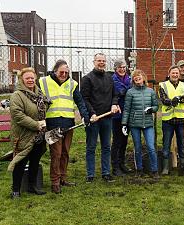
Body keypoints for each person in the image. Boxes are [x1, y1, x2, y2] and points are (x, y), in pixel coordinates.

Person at [39, 60, 90, 194]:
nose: (64, 74)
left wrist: (85, 115)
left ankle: (63, 178)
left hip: (68, 124)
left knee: (65, 153)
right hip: (52, 124)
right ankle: (55, 181)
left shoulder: (72, 84)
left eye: (66, 72)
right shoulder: (43, 82)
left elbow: (80, 102)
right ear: (55, 71)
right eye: (61, 72)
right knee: (56, 153)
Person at [8, 67, 49, 199]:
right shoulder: (17, 95)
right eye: (27, 78)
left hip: (38, 134)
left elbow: (43, 106)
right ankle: (15, 190)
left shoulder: (39, 93)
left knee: (35, 161)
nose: (30, 80)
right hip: (24, 134)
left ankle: (32, 186)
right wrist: (36, 124)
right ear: (22, 80)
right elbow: (18, 115)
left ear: (35, 78)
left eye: (32, 78)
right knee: (21, 161)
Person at [81, 53, 119, 183]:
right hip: (94, 119)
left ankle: (106, 173)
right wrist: (91, 113)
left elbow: (115, 94)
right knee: (91, 146)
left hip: (107, 117)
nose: (101, 63)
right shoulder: (87, 79)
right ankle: (90, 175)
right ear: (94, 62)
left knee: (106, 146)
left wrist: (114, 104)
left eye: (103, 61)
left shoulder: (110, 78)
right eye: (99, 61)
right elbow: (84, 99)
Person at [121, 69, 159, 179]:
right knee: (137, 148)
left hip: (147, 123)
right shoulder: (130, 92)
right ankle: (139, 169)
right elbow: (127, 109)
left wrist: (151, 109)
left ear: (143, 77)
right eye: (135, 77)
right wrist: (124, 123)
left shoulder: (150, 91)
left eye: (139, 76)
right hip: (134, 124)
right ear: (133, 80)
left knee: (151, 147)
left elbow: (156, 106)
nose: (137, 78)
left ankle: (154, 170)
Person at [159, 65, 184, 175]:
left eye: (177, 73)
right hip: (168, 120)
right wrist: (172, 101)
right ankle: (166, 167)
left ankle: (182, 166)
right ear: (169, 74)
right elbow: (163, 99)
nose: (175, 75)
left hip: (181, 119)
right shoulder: (163, 85)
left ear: (179, 74)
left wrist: (179, 99)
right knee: (166, 144)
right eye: (173, 73)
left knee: (181, 143)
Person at [111, 59, 132, 176]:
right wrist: (127, 90)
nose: (122, 69)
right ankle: (115, 166)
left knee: (124, 140)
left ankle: (122, 163)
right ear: (115, 68)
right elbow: (120, 92)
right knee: (117, 141)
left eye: (124, 67)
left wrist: (126, 90)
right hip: (117, 115)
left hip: (127, 114)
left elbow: (126, 91)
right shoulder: (113, 79)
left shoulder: (129, 78)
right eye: (120, 67)